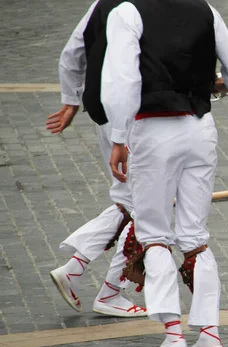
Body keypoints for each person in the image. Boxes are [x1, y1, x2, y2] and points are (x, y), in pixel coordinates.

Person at [101, 0, 228, 347]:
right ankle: (209, 337)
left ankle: (172, 332)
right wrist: (222, 84)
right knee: (195, 235)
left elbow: (122, 81)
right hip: (200, 127)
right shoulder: (206, 9)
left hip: (154, 129)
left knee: (154, 231)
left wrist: (118, 137)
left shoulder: (127, 12)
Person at [46, 0, 146, 318]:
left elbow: (72, 52)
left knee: (131, 200)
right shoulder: (157, 8)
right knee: (145, 206)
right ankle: (111, 292)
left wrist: (71, 99)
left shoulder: (103, 3)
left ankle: (75, 270)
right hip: (137, 119)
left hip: (104, 113)